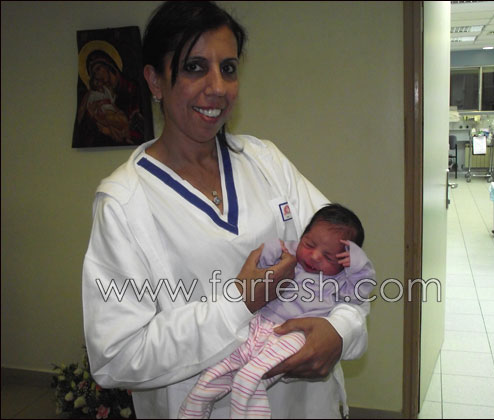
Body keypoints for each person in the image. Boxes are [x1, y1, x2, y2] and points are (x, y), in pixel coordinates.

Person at [82, 2, 371, 418]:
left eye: (229, 68)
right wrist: (239, 303)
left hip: (309, 406)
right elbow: (117, 356)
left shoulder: (265, 161)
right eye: (194, 67)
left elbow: (347, 260)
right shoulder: (124, 202)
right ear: (155, 81)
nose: (217, 87)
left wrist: (340, 329)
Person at [178, 204, 375, 419]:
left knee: (251, 377)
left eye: (329, 257)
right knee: (215, 374)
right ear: (302, 236)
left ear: (344, 261)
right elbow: (261, 266)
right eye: (309, 244)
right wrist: (271, 250)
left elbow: (360, 292)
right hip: (260, 325)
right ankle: (193, 410)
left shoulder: (340, 280)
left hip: (298, 335)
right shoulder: (288, 256)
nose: (315, 256)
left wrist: (359, 267)